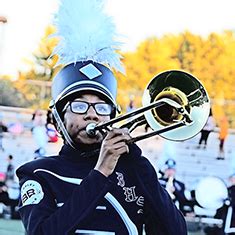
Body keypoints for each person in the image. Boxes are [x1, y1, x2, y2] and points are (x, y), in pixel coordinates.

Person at [16, 1, 187, 234]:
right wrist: (100, 173)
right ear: (57, 120)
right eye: (79, 106)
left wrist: (137, 161)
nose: (92, 113)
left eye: (102, 107)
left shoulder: (133, 170)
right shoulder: (38, 173)